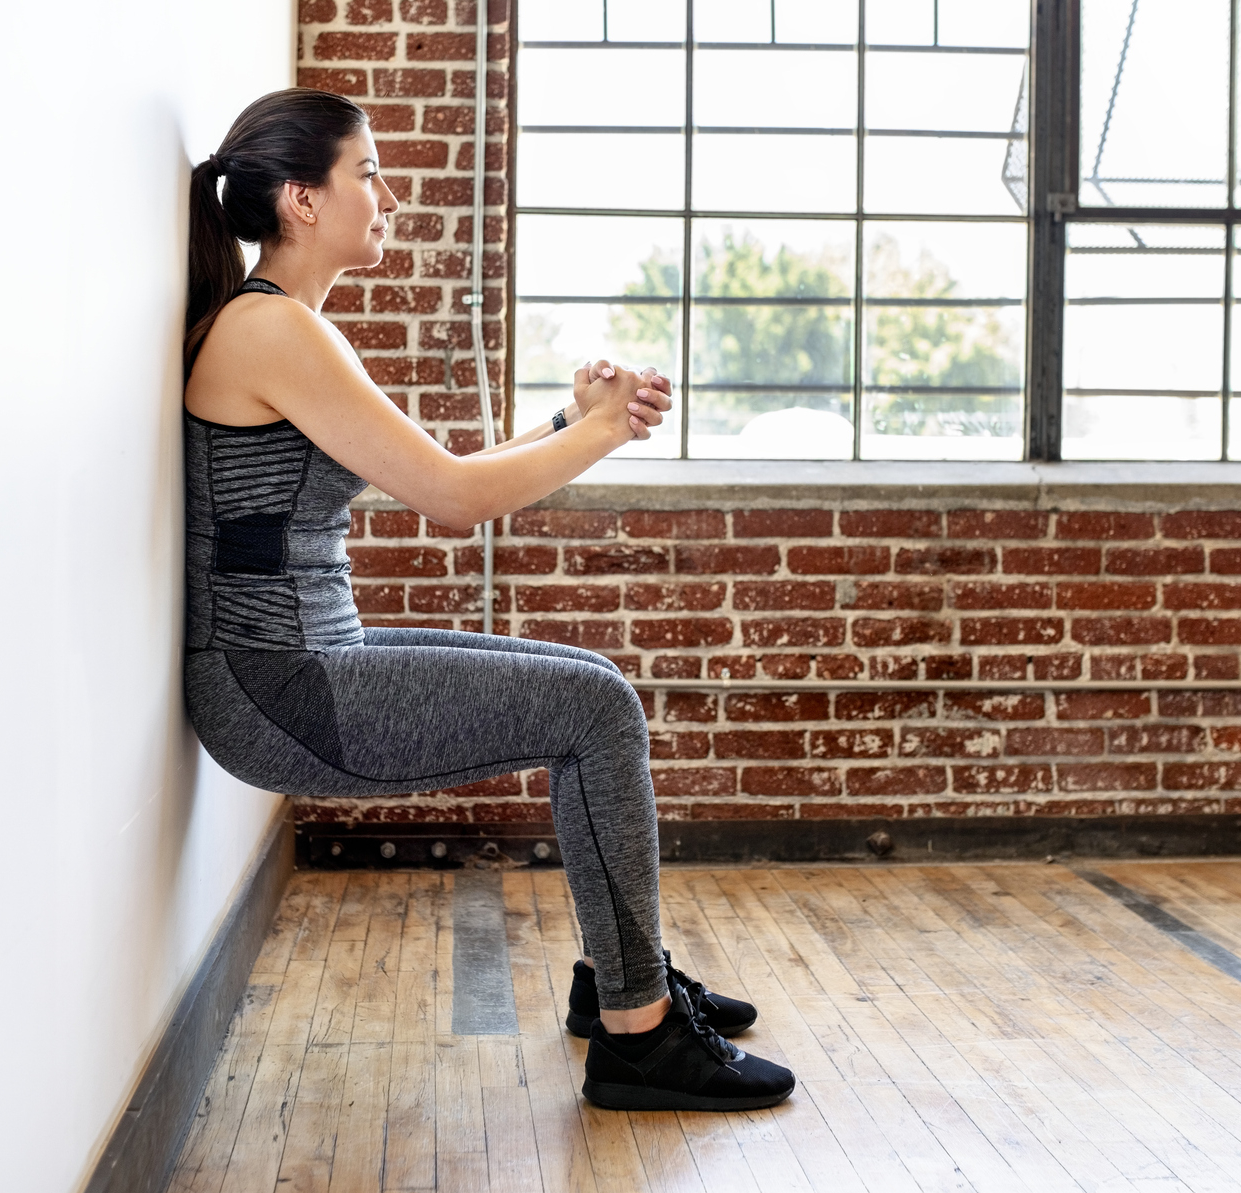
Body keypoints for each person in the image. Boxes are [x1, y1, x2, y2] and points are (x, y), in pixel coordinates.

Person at [179, 88, 794, 1112]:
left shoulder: (281, 327)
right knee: (596, 712)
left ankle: (620, 982)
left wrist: (571, 417)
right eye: (366, 171)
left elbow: (441, 469)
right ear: (300, 199)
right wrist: (603, 432)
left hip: (301, 663)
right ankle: (639, 1036)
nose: (388, 190)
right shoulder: (271, 331)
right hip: (277, 685)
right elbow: (454, 502)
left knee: (594, 684)